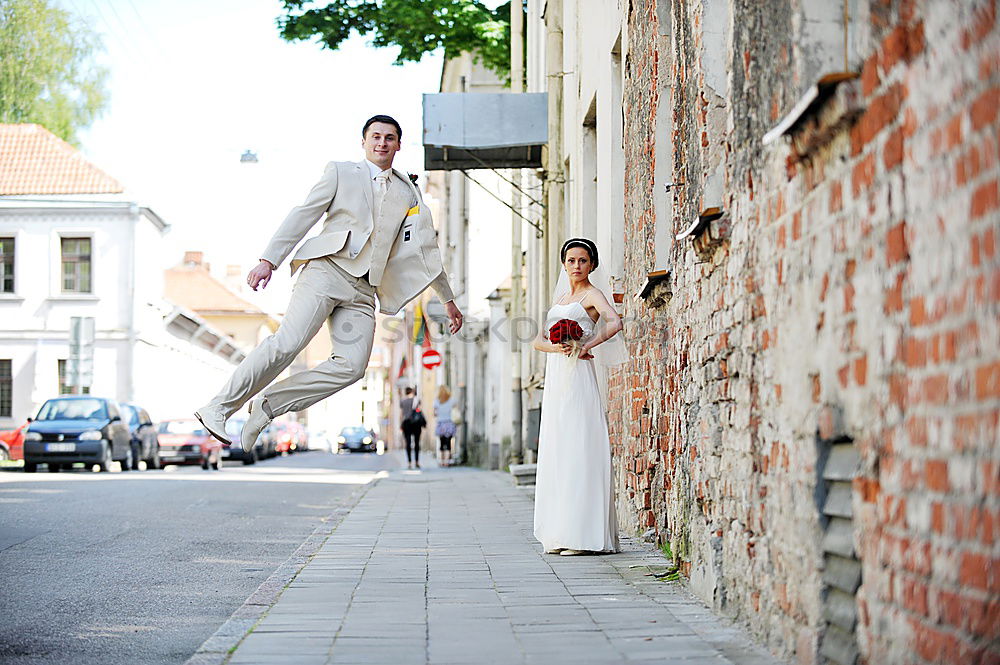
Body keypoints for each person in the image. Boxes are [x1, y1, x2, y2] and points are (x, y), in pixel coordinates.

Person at [194, 115, 463, 451]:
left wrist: (448, 299)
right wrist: (269, 261)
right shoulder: (340, 172)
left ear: (398, 145)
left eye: (389, 138)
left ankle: (269, 405)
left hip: (365, 287)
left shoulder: (408, 191)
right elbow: (304, 213)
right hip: (326, 270)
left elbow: (425, 249)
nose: (382, 143)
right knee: (287, 345)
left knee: (352, 367)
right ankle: (218, 407)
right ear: (363, 142)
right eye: (375, 136)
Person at [531, 238, 627, 556]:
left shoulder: (592, 294)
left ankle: (583, 536)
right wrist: (558, 347)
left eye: (583, 261)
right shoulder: (561, 297)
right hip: (558, 376)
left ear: (592, 264)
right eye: (571, 260)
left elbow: (615, 321)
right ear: (564, 264)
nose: (576, 266)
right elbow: (537, 340)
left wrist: (586, 345)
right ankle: (561, 533)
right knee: (559, 448)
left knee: (578, 444)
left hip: (578, 375)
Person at [400, 387, 424, 469]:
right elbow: (419, 411)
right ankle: (417, 462)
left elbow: (401, 414)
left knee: (408, 443)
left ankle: (409, 462)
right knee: (417, 443)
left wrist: (401, 424)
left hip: (406, 423)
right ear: (412, 392)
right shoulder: (416, 400)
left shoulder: (402, 401)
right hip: (416, 423)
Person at [434, 385, 456, 467]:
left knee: (442, 442)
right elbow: (455, 409)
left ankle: (442, 461)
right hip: (449, 423)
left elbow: (435, 413)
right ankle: (447, 461)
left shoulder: (437, 401)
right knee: (448, 442)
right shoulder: (452, 400)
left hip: (441, 423)